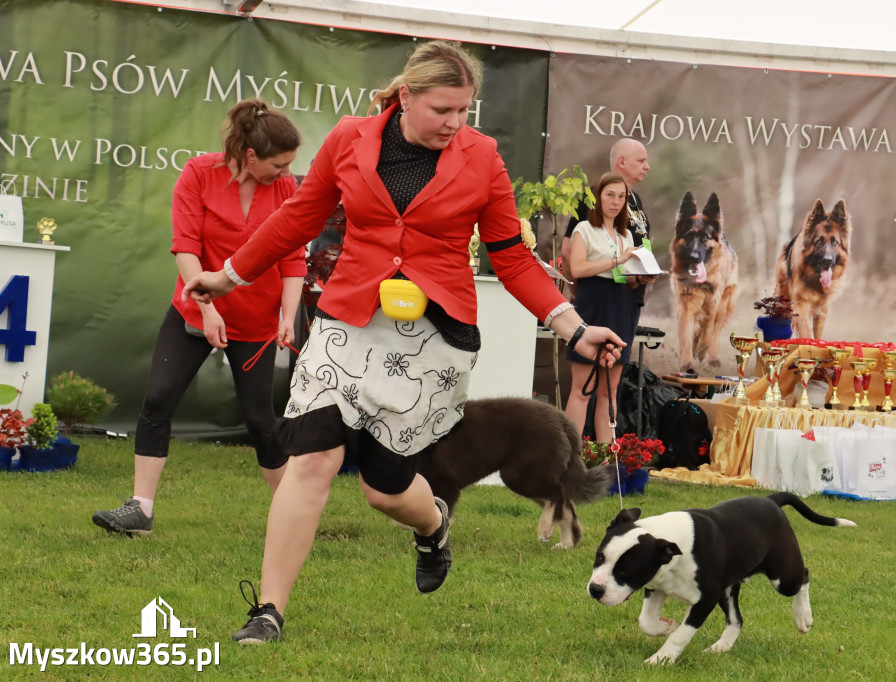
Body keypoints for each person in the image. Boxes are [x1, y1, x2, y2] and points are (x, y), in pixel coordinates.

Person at [181, 40, 624, 645]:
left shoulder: (483, 158)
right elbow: (298, 220)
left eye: (465, 110)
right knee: (310, 459)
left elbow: (513, 258)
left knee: (384, 490)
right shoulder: (350, 139)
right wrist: (230, 274)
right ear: (407, 96)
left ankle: (433, 525)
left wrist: (573, 327)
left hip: (434, 337)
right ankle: (268, 611)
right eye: (443, 109)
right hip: (348, 318)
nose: (455, 123)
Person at [91, 99, 305, 536]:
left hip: (257, 322)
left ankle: (292, 518)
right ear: (250, 155)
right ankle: (140, 510)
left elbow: (293, 259)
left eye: (289, 166)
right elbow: (185, 247)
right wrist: (206, 310)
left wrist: (289, 315)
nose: (286, 174)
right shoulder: (197, 175)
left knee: (261, 420)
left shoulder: (285, 191)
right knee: (157, 401)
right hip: (193, 310)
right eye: (279, 165)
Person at [563, 172, 640, 445]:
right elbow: (577, 269)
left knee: (610, 391)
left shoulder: (626, 234)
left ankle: (608, 456)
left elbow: (626, 278)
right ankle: (570, 455)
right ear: (598, 197)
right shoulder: (583, 228)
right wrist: (618, 260)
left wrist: (640, 275)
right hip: (593, 303)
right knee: (583, 390)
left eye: (622, 197)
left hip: (620, 305)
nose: (616, 202)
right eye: (610, 195)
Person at [561, 138, 655, 306]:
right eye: (641, 161)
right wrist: (578, 291)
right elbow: (568, 250)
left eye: (620, 197)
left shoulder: (635, 199)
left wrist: (643, 275)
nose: (647, 166)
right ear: (622, 162)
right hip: (597, 295)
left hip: (629, 295)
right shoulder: (593, 196)